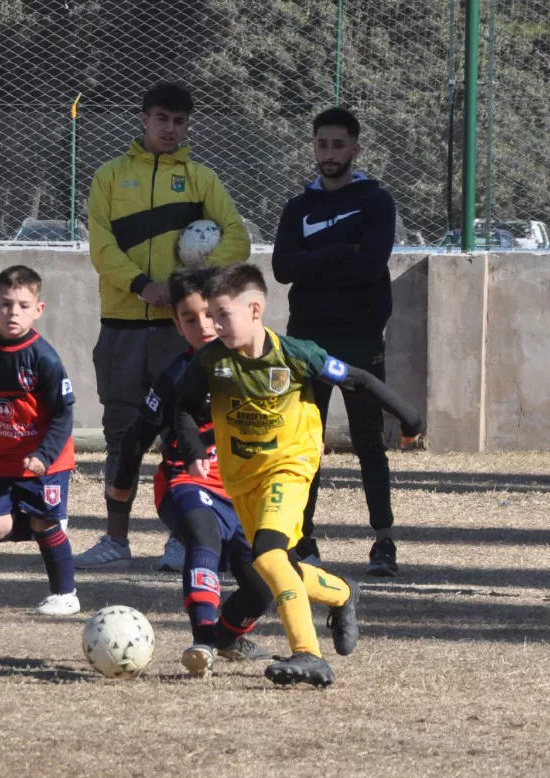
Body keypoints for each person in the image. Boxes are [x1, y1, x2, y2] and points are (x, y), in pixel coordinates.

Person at [175, 264, 423, 687]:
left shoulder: (294, 353)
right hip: (242, 480)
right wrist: (194, 449)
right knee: (279, 567)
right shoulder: (212, 362)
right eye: (210, 316)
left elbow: (358, 380)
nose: (213, 325)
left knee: (269, 558)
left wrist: (410, 418)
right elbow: (180, 406)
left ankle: (308, 654)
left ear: (255, 309)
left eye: (221, 314)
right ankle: (342, 593)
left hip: (289, 468)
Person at [80, 81, 251, 572]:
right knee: (122, 433)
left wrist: (185, 288)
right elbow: (100, 246)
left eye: (178, 122)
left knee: (188, 433)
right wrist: (140, 285)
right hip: (122, 323)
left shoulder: (201, 179)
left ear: (187, 126)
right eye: (161, 119)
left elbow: (237, 236)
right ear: (143, 119)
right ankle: (116, 538)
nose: (169, 129)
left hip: (181, 333)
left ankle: (184, 536)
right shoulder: (110, 177)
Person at [107, 268, 275, 677]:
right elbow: (134, 442)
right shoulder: (175, 378)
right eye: (189, 318)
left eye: (211, 314)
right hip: (186, 483)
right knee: (204, 533)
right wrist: (118, 522)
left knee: (263, 585)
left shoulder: (265, 365)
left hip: (242, 492)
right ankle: (203, 638)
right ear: (176, 324)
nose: (204, 326)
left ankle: (225, 637)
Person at [272, 107, 404, 576]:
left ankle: (383, 542)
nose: (329, 154)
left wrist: (316, 260)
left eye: (338, 145)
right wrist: (338, 251)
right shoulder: (297, 207)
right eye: (322, 144)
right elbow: (283, 268)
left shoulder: (376, 201)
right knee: (305, 443)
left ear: (355, 149)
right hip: (308, 340)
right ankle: (302, 540)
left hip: (361, 335)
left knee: (370, 441)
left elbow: (371, 266)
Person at [0, 266, 81, 616]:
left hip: (46, 458)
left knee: (43, 521)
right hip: (1, 454)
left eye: (24, 305)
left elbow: (63, 413)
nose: (13, 312)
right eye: (6, 303)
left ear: (38, 310)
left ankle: (66, 594)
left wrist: (44, 455)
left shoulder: (44, 357)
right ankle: (51, 526)